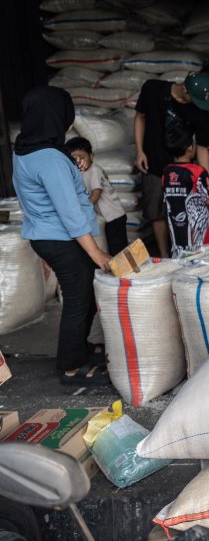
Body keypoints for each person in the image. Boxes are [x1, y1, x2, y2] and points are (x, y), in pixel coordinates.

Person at [12, 87, 111, 386]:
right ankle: (70, 365)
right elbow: (69, 212)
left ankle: (79, 349)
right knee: (79, 299)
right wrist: (98, 254)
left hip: (50, 236)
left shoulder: (25, 149)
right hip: (62, 238)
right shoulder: (49, 158)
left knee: (84, 295)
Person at [133, 72, 209, 258]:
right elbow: (140, 117)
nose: (198, 105)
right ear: (184, 88)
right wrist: (139, 151)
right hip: (154, 162)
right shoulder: (153, 89)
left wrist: (208, 183)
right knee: (156, 211)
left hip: (183, 171)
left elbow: (202, 147)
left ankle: (188, 253)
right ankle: (164, 257)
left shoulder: (201, 109)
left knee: (186, 211)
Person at [162, 125, 209, 258]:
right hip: (199, 233)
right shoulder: (198, 172)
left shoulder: (166, 172)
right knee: (203, 261)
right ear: (189, 148)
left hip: (177, 232)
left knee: (182, 261)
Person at [65, 135, 128, 254]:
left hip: (114, 217)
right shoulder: (82, 172)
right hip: (108, 218)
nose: (79, 161)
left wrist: (84, 209)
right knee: (112, 249)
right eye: (74, 159)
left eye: (82, 157)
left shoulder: (94, 170)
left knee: (119, 250)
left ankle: (127, 272)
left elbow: (96, 193)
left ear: (91, 156)